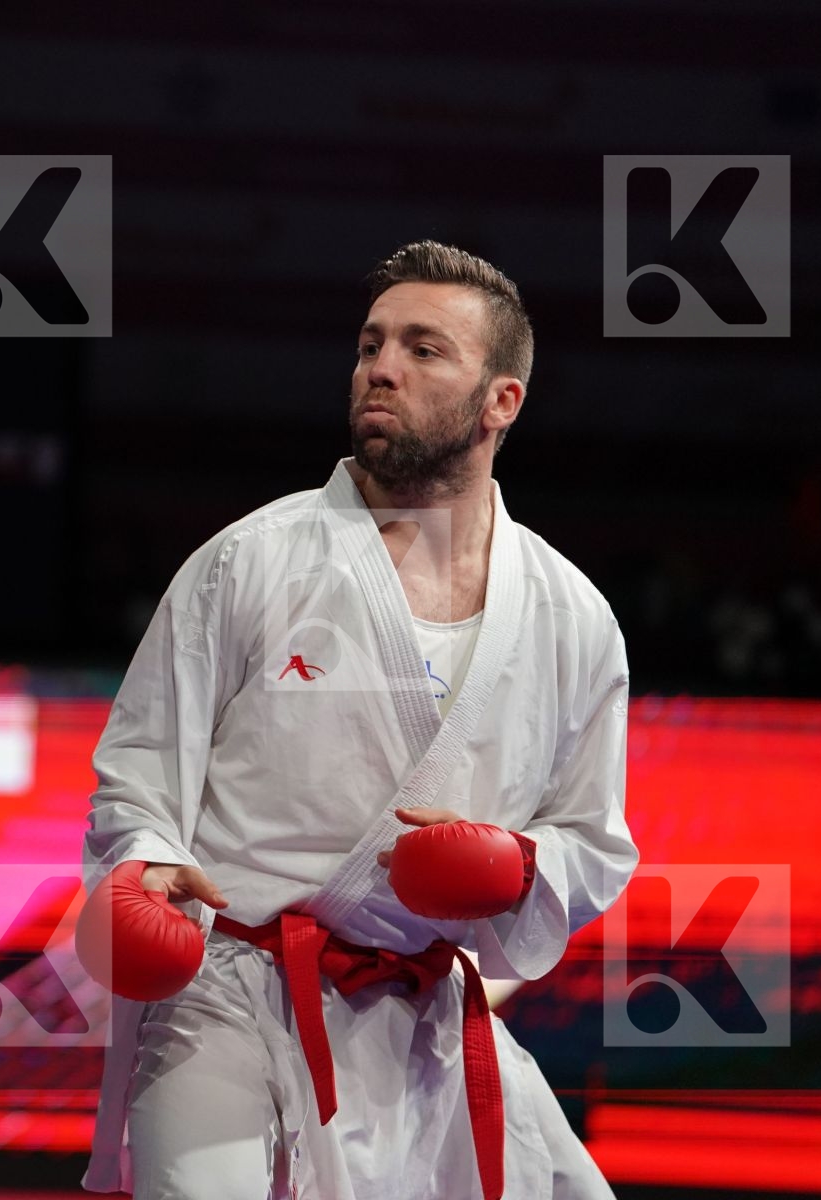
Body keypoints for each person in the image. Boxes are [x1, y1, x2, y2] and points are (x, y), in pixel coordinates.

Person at [81, 241, 638, 1199]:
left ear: (501, 401)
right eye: (372, 343)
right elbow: (137, 780)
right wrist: (140, 867)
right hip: (234, 997)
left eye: (425, 350)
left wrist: (517, 867)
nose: (381, 367)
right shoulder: (249, 563)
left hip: (423, 1013)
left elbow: (596, 841)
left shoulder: (570, 615)